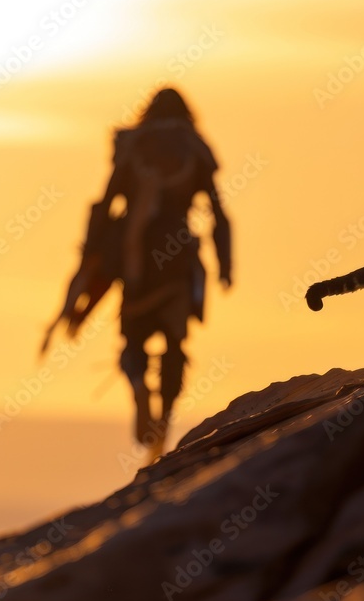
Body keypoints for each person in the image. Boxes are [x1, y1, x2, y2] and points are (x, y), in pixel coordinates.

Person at [43, 88, 232, 456]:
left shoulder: (133, 147)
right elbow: (218, 211)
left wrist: (92, 258)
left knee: (133, 340)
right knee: (176, 342)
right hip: (178, 255)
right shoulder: (193, 148)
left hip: (136, 258)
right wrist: (226, 263)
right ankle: (165, 417)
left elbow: (107, 201)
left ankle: (138, 387)